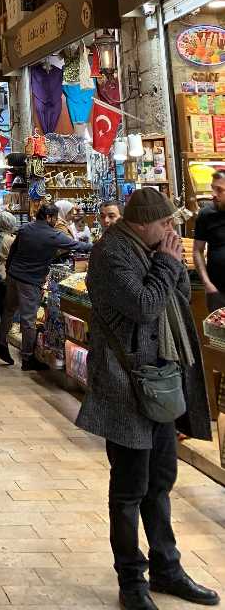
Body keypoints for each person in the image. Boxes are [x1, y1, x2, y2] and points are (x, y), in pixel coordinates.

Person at [76, 188, 218, 610]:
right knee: (128, 491)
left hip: (160, 384)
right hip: (125, 389)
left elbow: (172, 295)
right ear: (143, 224)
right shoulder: (110, 255)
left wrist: (168, 263)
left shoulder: (153, 249)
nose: (172, 231)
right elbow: (143, 306)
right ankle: (131, 581)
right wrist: (167, 262)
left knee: (160, 483)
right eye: (166, 224)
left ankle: (167, 569)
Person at [0, 203, 78, 371]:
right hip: (30, 281)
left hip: (14, 276)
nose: (56, 221)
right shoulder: (52, 234)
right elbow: (76, 245)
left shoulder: (25, 229)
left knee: (9, 310)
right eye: (55, 218)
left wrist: (10, 269)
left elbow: (13, 251)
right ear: (49, 217)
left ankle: (1, 342)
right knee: (28, 320)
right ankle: (27, 358)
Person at [193, 169, 225, 312]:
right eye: (213, 188)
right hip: (216, 291)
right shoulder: (206, 214)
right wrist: (207, 284)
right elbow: (197, 251)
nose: (213, 194)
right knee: (216, 333)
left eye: (219, 190)